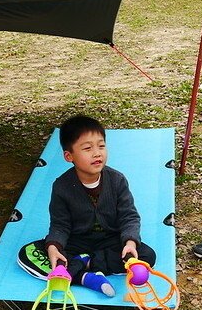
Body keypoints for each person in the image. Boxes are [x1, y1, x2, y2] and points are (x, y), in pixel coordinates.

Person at [44, 115, 156, 297]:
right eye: (88, 148)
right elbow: (60, 224)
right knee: (53, 256)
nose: (97, 153)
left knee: (147, 255)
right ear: (68, 156)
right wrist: (54, 247)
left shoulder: (117, 180)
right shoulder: (61, 186)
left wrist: (129, 242)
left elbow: (129, 216)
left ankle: (83, 267)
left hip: (110, 239)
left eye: (101, 146)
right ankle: (89, 277)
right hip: (78, 240)